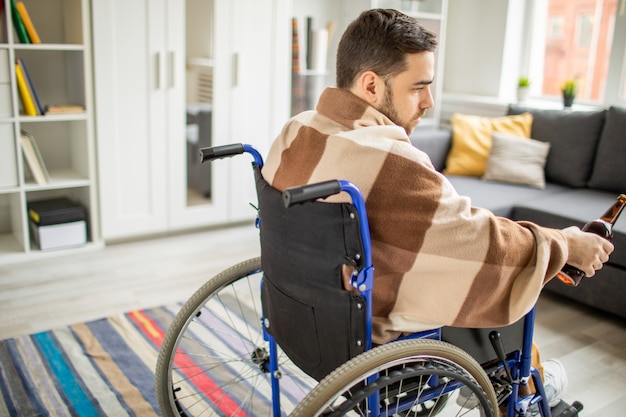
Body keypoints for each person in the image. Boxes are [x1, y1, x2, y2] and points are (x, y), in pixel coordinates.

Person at [261, 7, 613, 407]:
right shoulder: (392, 162)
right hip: (365, 340)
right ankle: (528, 391)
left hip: (296, 313)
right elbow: (482, 245)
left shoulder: (297, 129)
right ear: (371, 86)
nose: (429, 101)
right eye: (418, 87)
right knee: (508, 301)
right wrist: (562, 243)